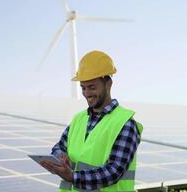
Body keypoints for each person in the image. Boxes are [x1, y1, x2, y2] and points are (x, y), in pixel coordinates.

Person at [40, 50, 143, 191]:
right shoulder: (79, 119)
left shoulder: (125, 124)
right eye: (83, 88)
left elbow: (113, 172)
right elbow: (58, 147)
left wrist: (72, 177)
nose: (87, 93)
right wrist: (60, 156)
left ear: (108, 84)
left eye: (92, 87)